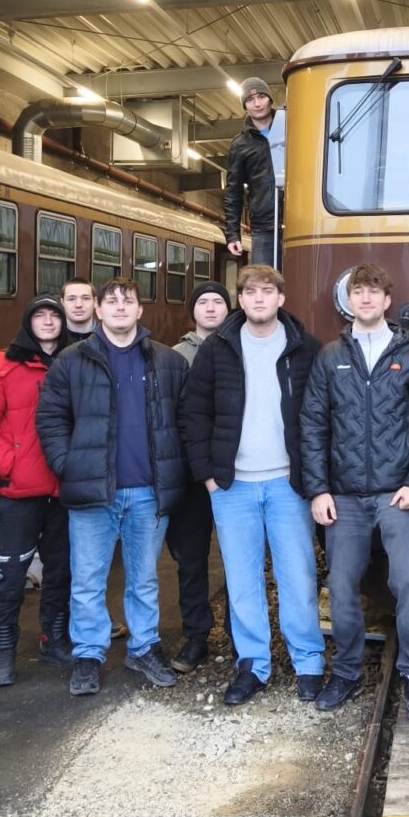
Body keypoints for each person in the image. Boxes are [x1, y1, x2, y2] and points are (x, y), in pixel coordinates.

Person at [301, 263, 409, 721]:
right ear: (349, 302)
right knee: (342, 588)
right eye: (358, 291)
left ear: (387, 301)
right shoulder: (330, 357)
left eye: (373, 292)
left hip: (397, 494)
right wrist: (318, 489)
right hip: (343, 495)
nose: (365, 298)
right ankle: (346, 672)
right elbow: (313, 426)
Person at [178, 264, 327, 705]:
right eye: (250, 292)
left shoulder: (305, 347)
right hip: (233, 486)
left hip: (287, 484)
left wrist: (315, 478)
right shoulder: (217, 349)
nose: (259, 299)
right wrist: (208, 475)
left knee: (297, 577)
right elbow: (194, 413)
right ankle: (253, 665)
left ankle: (308, 662)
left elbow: (323, 414)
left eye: (267, 291)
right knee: (242, 581)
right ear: (240, 300)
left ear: (281, 298)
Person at [36, 278, 190, 696]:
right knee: (88, 579)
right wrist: (68, 465)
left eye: (128, 301)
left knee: (144, 578)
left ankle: (144, 647)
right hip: (93, 493)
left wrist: (174, 471)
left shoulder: (169, 362)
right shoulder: (71, 361)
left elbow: (184, 421)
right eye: (111, 301)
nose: (120, 307)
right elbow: (50, 419)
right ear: (98, 311)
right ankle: (88, 654)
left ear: (140, 310)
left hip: (148, 491)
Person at [0, 294, 72, 688]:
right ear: (28, 323)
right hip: (20, 491)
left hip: (65, 490)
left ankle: (54, 640)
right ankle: (4, 652)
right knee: (10, 575)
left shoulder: (75, 362)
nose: (47, 322)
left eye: (54, 315)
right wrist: (11, 464)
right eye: (39, 315)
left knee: (61, 570)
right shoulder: (2, 369)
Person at [164, 280, 233, 673]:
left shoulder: (242, 347)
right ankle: (196, 636)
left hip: (232, 471)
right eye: (202, 302)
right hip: (190, 474)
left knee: (239, 556)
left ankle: (241, 635)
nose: (210, 307)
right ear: (192, 311)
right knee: (190, 558)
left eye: (217, 301)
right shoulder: (174, 357)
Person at [224, 78, 283, 268]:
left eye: (261, 97)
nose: (257, 104)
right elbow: (233, 192)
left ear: (270, 99)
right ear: (245, 106)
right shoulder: (240, 145)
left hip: (300, 221)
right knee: (264, 281)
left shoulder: (292, 129)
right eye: (250, 100)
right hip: (263, 227)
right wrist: (232, 234)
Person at [60, 277, 96, 345]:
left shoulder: (108, 337)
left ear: (95, 302)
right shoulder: (53, 339)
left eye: (86, 298)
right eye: (71, 299)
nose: (78, 305)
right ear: (62, 303)